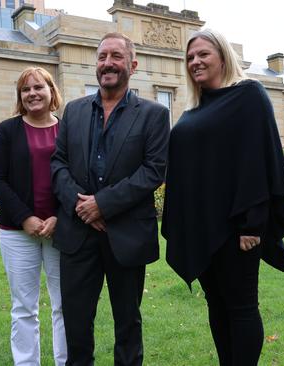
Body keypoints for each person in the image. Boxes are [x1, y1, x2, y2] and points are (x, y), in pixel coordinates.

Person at [162, 29, 284, 365]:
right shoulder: (193, 112)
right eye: (190, 57)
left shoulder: (249, 95)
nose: (195, 62)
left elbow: (257, 159)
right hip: (202, 229)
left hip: (238, 231)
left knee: (241, 306)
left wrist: (253, 224)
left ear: (222, 57)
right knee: (216, 305)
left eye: (203, 54)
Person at [51, 32, 170, 365]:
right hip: (77, 235)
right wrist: (82, 205)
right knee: (76, 325)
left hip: (127, 235)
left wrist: (102, 204)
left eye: (116, 56)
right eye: (102, 57)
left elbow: (153, 171)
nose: (107, 63)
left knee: (128, 325)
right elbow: (58, 163)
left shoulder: (154, 115)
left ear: (132, 65)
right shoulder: (72, 112)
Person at [0, 66, 66, 366]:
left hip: (61, 229)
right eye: (25, 89)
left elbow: (75, 177)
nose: (32, 93)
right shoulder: (8, 130)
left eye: (38, 87)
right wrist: (25, 218)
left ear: (51, 91)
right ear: (20, 96)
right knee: (24, 307)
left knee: (63, 305)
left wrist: (59, 217)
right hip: (17, 232)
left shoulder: (67, 128)